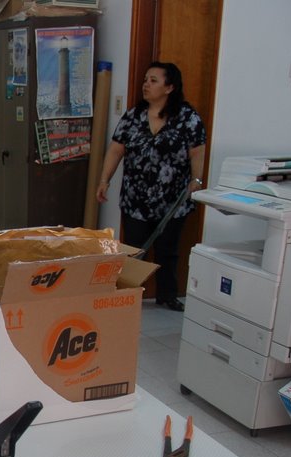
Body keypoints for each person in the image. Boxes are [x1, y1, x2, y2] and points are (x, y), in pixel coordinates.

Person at [96, 61, 206, 312]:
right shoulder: (134, 116)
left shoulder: (188, 118)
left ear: (170, 87)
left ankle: (167, 294)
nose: (146, 84)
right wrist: (104, 180)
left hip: (172, 199)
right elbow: (116, 150)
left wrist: (196, 181)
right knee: (134, 250)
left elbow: (197, 152)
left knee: (168, 250)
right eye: (146, 79)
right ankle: (129, 293)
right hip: (136, 198)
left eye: (153, 80)